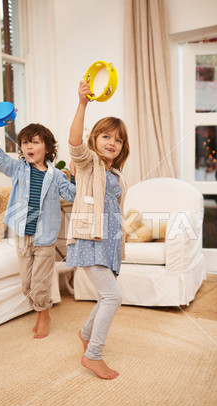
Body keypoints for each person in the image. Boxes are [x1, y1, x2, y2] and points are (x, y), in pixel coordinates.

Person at [0, 117, 76, 339]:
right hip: (22, 234)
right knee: (26, 284)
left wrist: (76, 175)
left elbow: (73, 195)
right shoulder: (18, 169)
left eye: (34, 142)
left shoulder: (56, 176)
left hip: (45, 237)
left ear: (48, 148)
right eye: (25, 143)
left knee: (39, 282)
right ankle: (42, 310)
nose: (29, 147)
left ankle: (44, 315)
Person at [66, 80, 130, 379]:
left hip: (111, 243)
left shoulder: (115, 172)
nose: (112, 143)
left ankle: (86, 332)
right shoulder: (88, 162)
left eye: (117, 140)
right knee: (112, 297)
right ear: (95, 140)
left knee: (108, 294)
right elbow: (76, 144)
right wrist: (82, 104)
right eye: (106, 136)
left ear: (121, 148)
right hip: (90, 240)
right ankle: (93, 355)